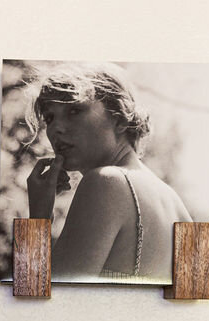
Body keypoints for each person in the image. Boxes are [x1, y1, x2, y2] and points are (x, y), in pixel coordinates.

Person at [24, 62, 192, 282]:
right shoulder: (179, 208)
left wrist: (38, 220)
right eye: (49, 118)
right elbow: (193, 303)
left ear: (120, 117)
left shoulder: (105, 182)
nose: (56, 128)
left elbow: (38, 301)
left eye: (74, 110)